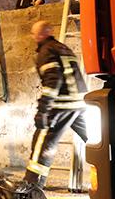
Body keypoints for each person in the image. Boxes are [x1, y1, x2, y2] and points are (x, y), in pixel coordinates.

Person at [24, 21, 87, 187]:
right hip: (79, 104)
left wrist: (43, 110)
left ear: (40, 35)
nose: (32, 37)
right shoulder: (63, 48)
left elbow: (53, 81)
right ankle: (112, 171)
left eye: (33, 34)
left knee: (42, 143)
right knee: (97, 140)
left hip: (62, 105)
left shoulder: (46, 51)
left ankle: (32, 187)